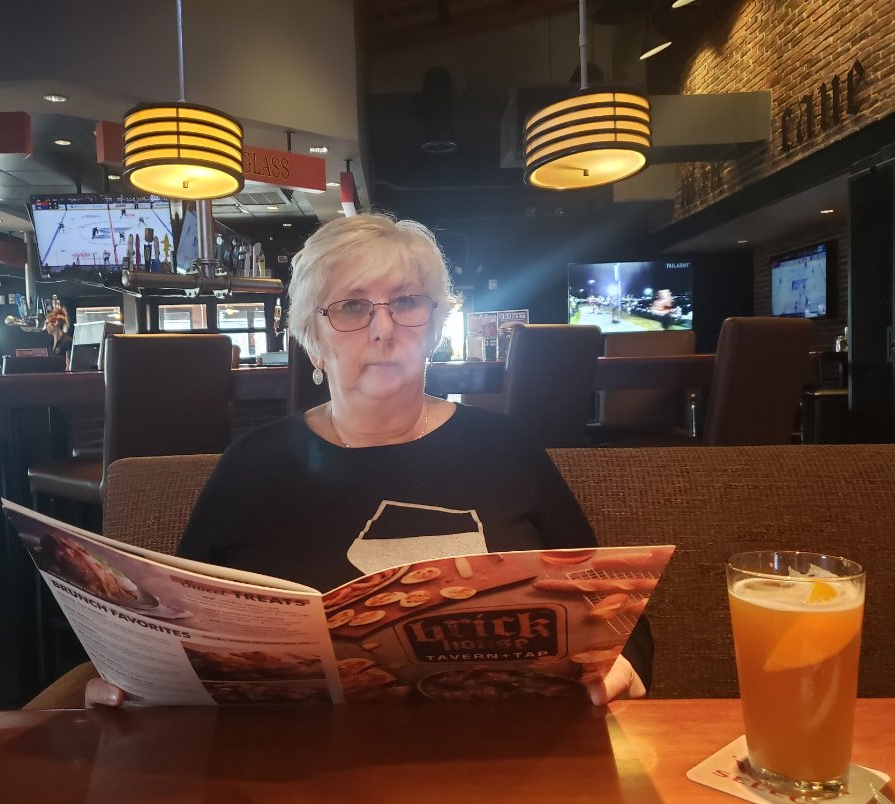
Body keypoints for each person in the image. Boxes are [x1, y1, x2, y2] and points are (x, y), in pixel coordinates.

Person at [86, 213, 652, 708]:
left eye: (405, 302)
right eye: (352, 307)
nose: (383, 329)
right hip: (294, 764)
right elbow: (174, 630)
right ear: (313, 341)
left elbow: (618, 618)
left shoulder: (507, 447)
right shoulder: (253, 464)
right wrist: (135, 679)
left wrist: (620, 669)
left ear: (433, 327)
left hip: (493, 753)